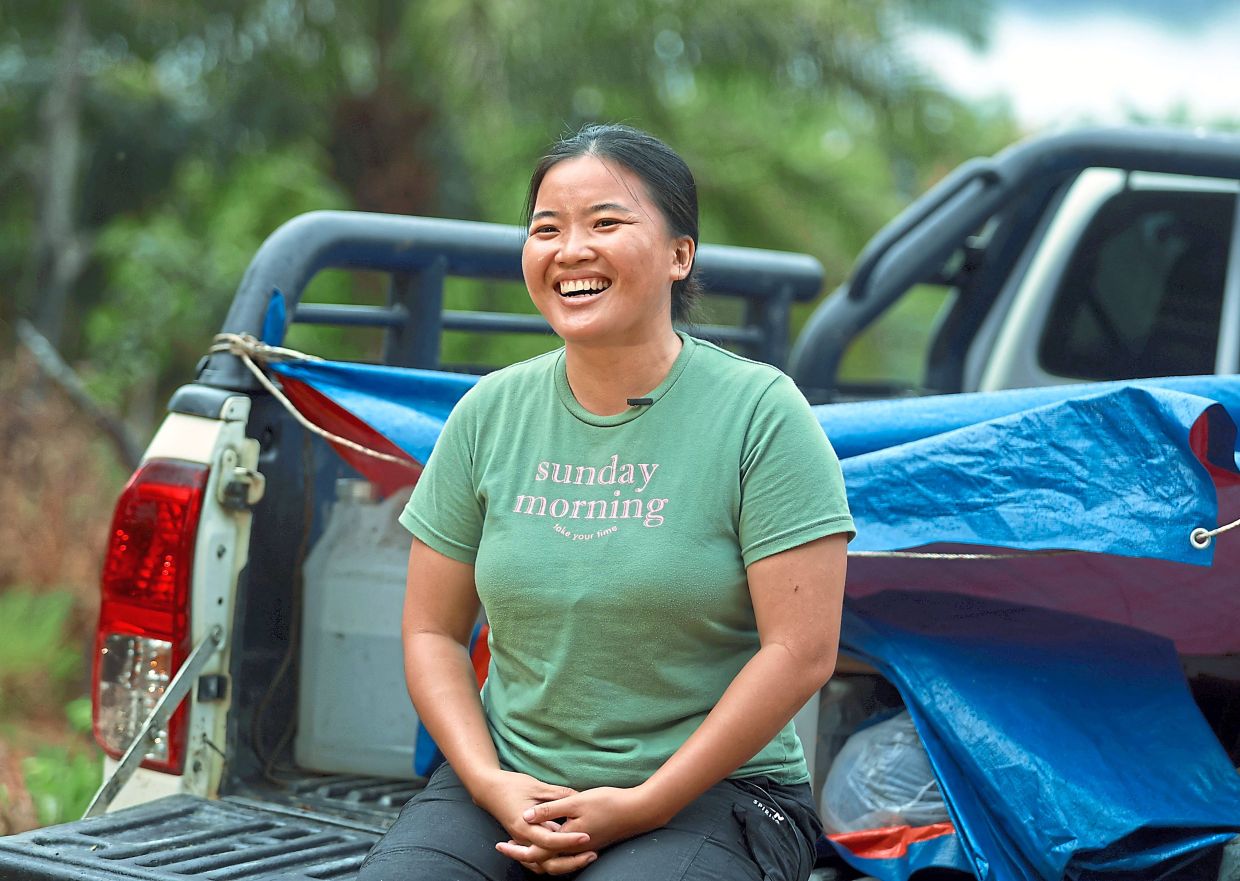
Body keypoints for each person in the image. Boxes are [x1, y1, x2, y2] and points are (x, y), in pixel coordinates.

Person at [358, 123, 854, 881]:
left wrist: (644, 803)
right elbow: (430, 630)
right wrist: (492, 783)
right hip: (514, 782)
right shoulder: (488, 413)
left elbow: (802, 651)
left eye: (606, 223)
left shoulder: (761, 413)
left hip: (713, 792)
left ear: (680, 255)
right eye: (546, 228)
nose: (570, 250)